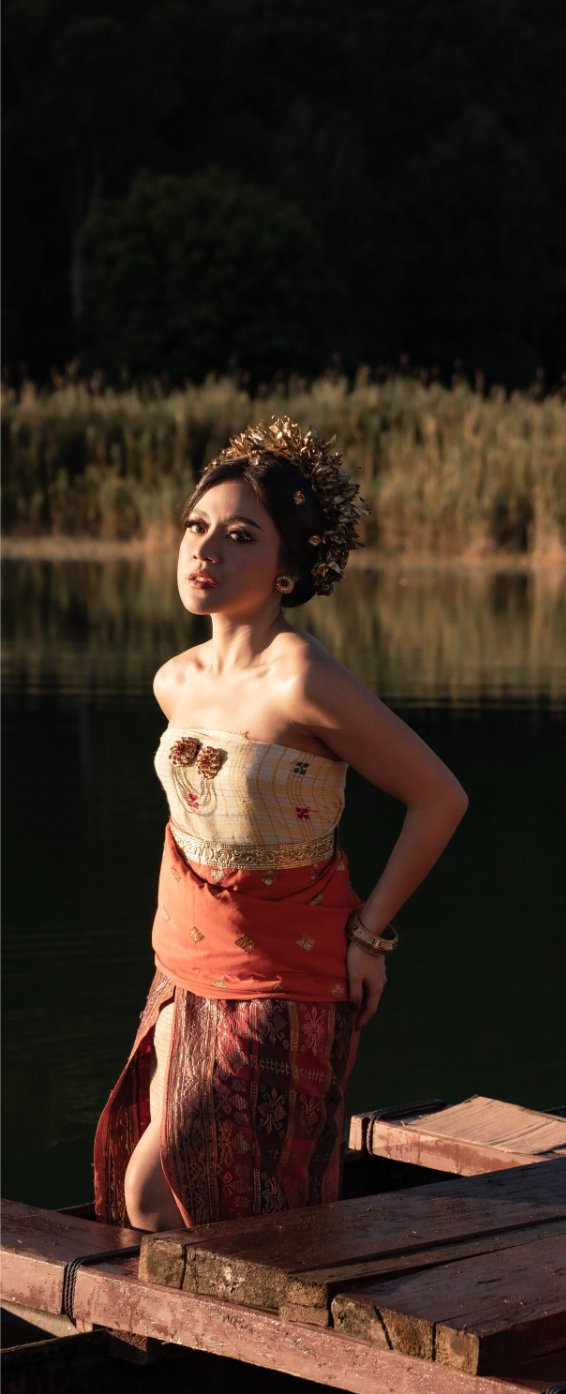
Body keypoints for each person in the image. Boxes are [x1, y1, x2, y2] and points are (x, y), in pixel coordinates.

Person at [94, 417, 468, 1231]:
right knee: (171, 1194)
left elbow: (440, 798)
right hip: (184, 963)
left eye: (239, 537)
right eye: (196, 527)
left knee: (160, 1192)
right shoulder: (174, 681)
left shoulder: (302, 679)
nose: (205, 550)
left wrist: (370, 937)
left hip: (285, 979)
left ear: (288, 571)